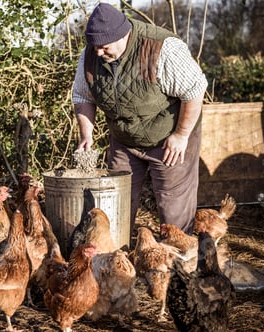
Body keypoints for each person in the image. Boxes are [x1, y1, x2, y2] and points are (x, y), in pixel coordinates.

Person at [72, 3, 207, 238]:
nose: (98, 53)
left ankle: (180, 264)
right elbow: (82, 96)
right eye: (94, 47)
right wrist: (87, 135)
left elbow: (195, 89)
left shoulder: (161, 48)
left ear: (122, 36)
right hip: (124, 138)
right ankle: (118, 260)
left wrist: (181, 135)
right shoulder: (90, 56)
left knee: (173, 208)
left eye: (103, 47)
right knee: (116, 204)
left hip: (168, 135)